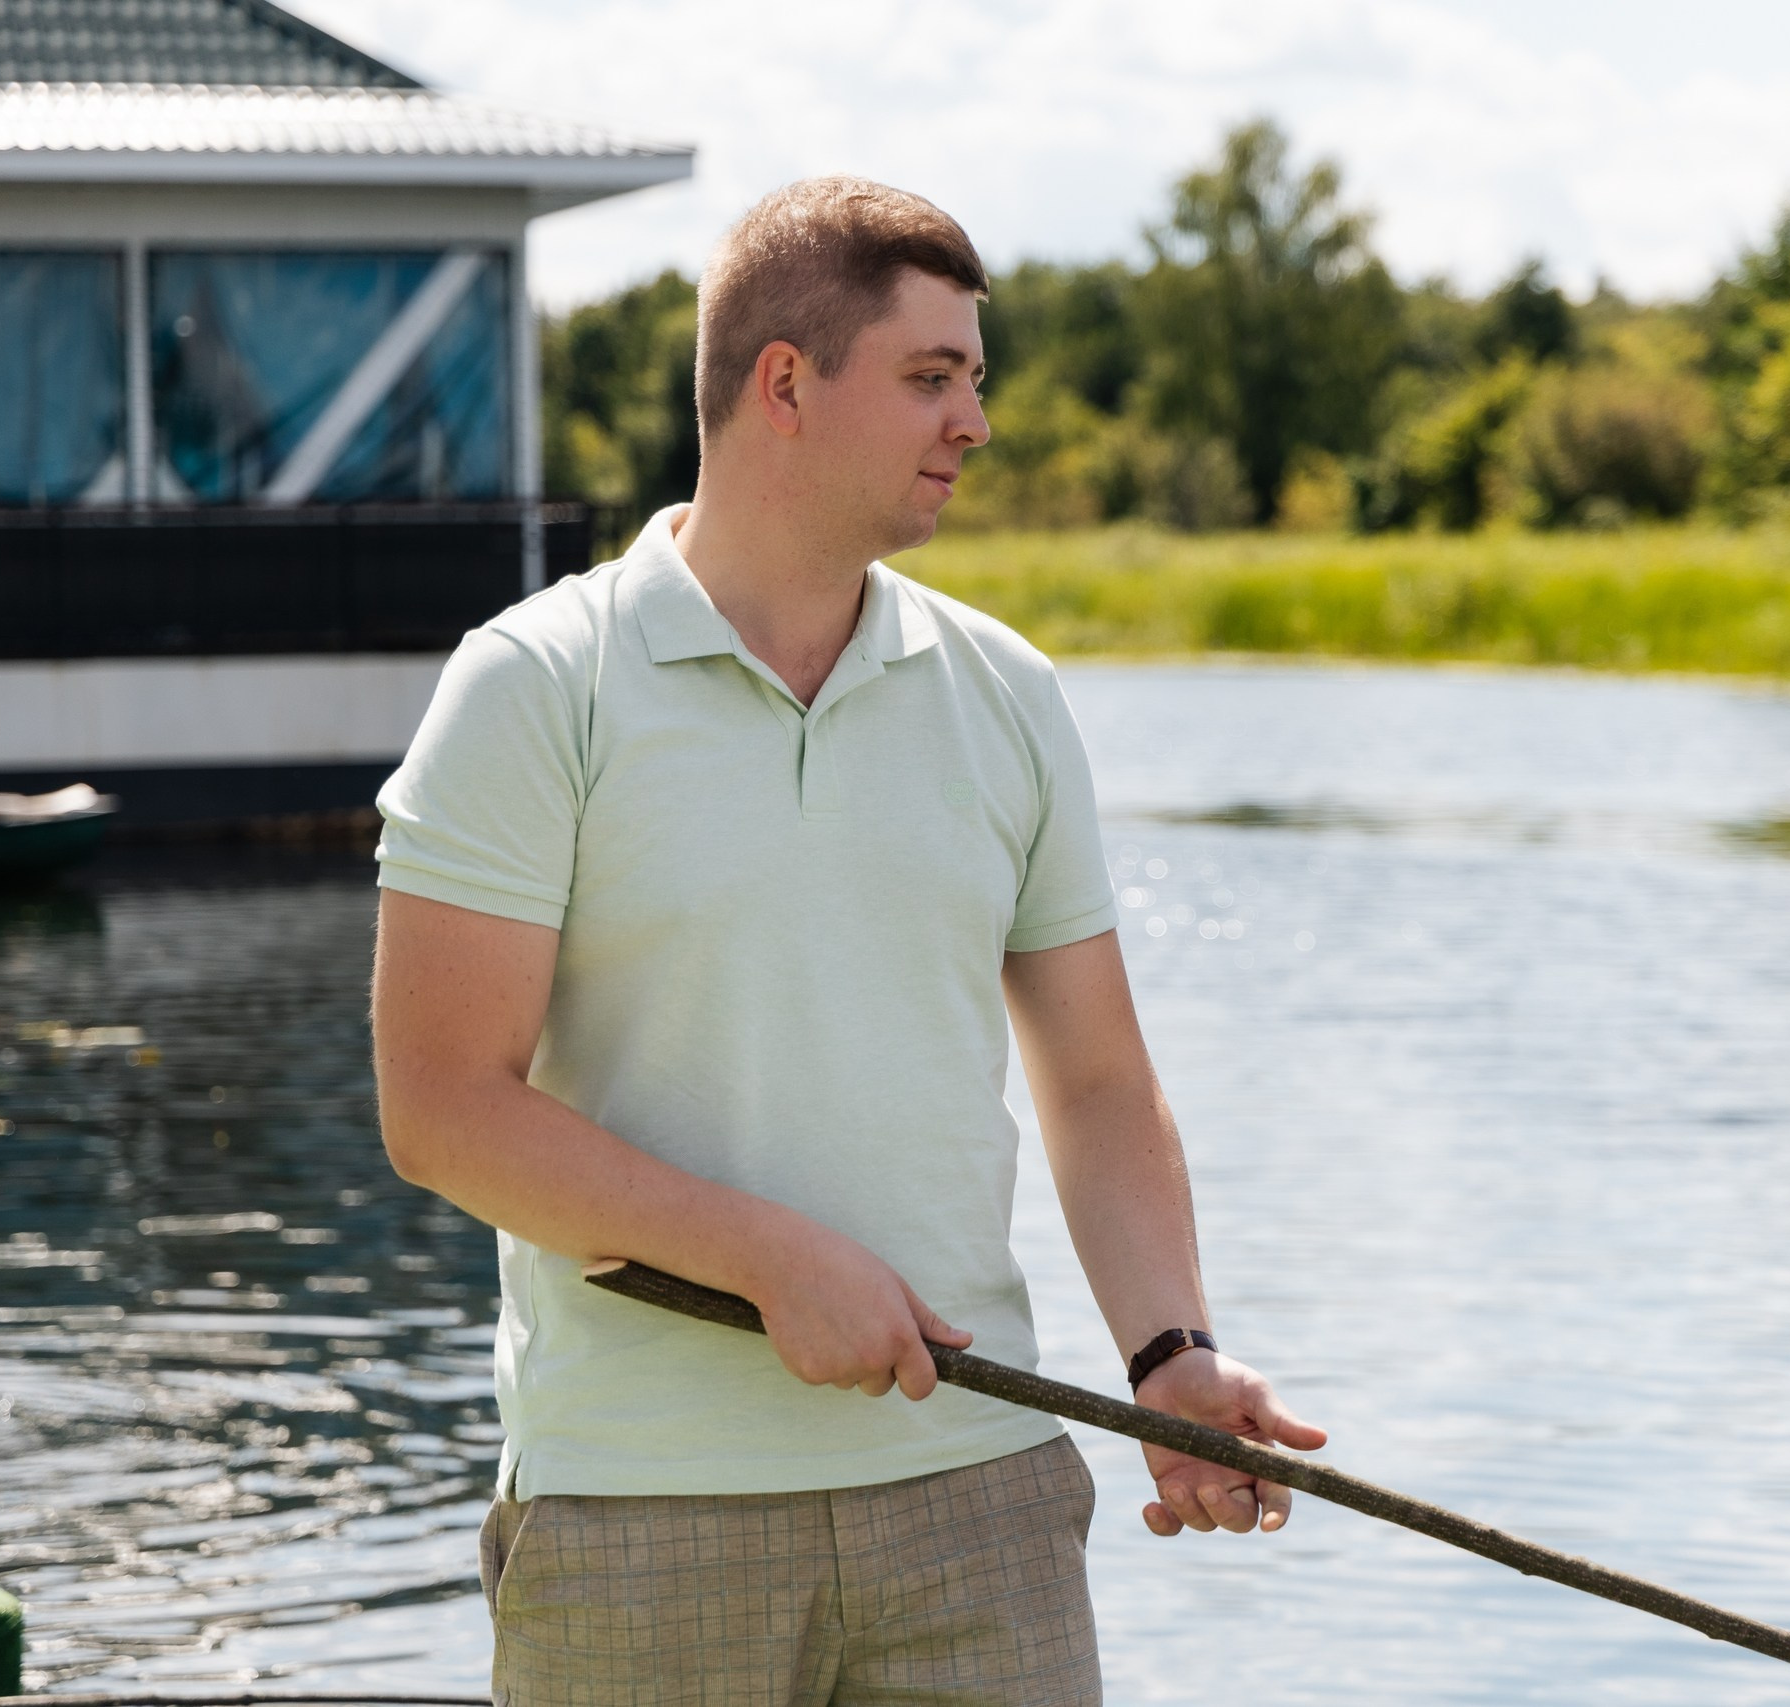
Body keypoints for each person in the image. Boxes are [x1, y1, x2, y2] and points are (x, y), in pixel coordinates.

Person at [369, 177, 1324, 1705]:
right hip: (638, 1514)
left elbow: (1094, 1082)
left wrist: (1167, 1355)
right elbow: (443, 1111)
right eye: (933, 378)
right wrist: (763, 1259)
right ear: (787, 383)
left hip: (981, 1501)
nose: (975, 422)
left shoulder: (1006, 693)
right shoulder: (536, 687)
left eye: (976, 380)